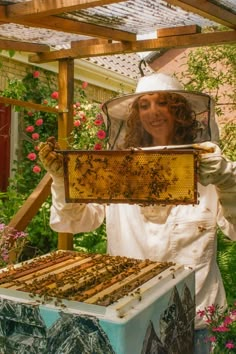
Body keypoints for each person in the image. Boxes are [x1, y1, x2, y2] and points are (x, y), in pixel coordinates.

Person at [39, 73, 236, 353]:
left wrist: (228, 181)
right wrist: (63, 180)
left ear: (179, 110)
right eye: (144, 105)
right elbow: (75, 221)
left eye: (162, 103)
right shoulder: (119, 168)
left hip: (195, 321)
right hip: (130, 314)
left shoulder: (207, 162)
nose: (152, 113)